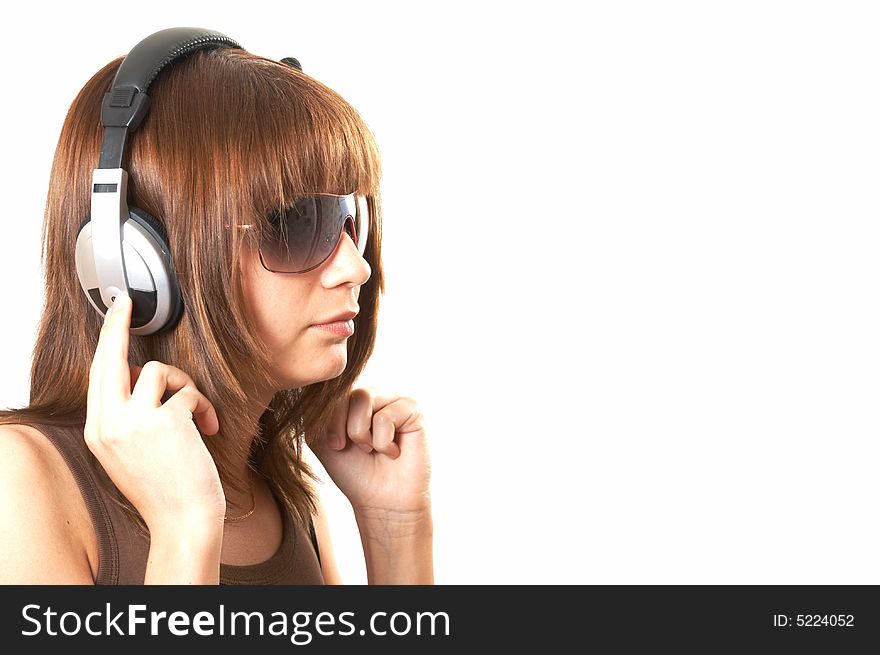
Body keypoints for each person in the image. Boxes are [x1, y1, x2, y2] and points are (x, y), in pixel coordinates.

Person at [0, 28, 432, 585]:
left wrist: (396, 526)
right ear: (132, 263)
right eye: (295, 223)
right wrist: (183, 530)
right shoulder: (21, 483)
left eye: (347, 219)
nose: (356, 267)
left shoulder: (284, 492)